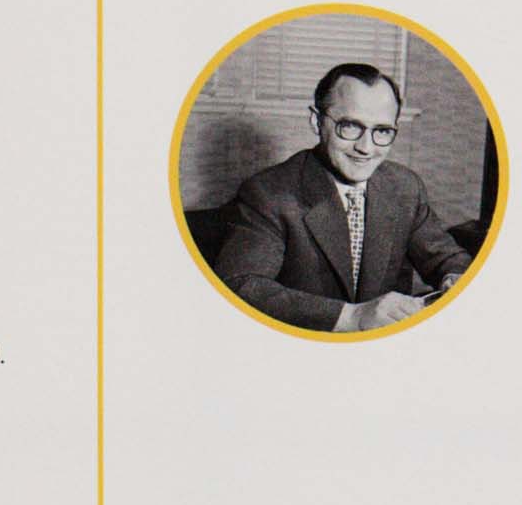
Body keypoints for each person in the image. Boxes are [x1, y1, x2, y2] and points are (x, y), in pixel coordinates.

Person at [197, 57, 475, 332]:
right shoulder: (268, 193)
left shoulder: (404, 186)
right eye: (350, 126)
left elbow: (446, 257)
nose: (366, 148)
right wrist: (352, 317)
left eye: (382, 131)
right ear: (317, 121)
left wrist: (454, 276)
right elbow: (241, 284)